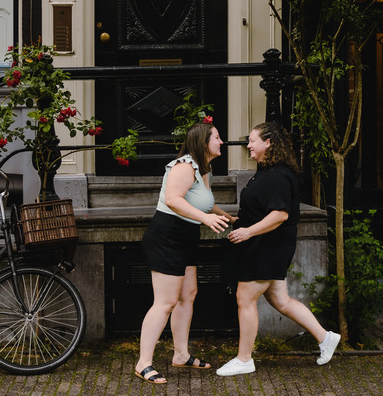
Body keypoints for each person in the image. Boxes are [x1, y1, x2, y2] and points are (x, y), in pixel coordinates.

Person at [216, 122, 341, 377]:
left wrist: (248, 231)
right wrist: (233, 220)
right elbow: (261, 210)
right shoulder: (267, 171)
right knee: (280, 300)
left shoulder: (277, 175)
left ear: (269, 142)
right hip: (266, 244)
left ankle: (244, 359)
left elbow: (280, 214)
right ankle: (325, 338)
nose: (248, 145)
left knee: (245, 298)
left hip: (267, 246)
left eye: (252, 140)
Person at [134, 121, 233, 384]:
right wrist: (206, 218)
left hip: (187, 236)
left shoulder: (204, 170)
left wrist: (226, 217)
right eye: (217, 137)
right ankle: (143, 362)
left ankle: (181, 354)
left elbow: (203, 203)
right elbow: (173, 200)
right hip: (167, 236)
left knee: (187, 295)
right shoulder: (184, 166)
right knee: (165, 302)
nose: (221, 142)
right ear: (203, 143)